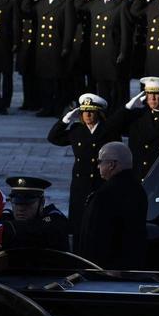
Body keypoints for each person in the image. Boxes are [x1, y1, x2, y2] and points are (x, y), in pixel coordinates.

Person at [48, 93, 119, 232]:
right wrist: (65, 120)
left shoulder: (108, 130)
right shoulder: (77, 130)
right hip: (81, 185)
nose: (87, 114)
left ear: (98, 113)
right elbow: (53, 138)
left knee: (101, 223)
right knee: (78, 224)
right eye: (84, 111)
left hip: (101, 182)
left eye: (91, 111)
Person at [78, 142, 147, 268]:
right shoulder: (138, 190)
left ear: (111, 165)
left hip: (105, 269)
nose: (98, 166)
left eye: (100, 161)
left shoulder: (105, 194)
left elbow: (94, 237)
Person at [108, 76, 159, 178]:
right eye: (149, 94)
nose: (152, 98)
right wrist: (126, 109)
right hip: (139, 174)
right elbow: (110, 128)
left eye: (156, 94)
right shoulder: (137, 116)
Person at [0, 176, 70, 250]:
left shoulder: (55, 220)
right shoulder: (7, 217)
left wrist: (8, 228)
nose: (20, 209)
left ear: (42, 203)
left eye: (27, 204)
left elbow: (40, 230)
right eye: (16, 203)